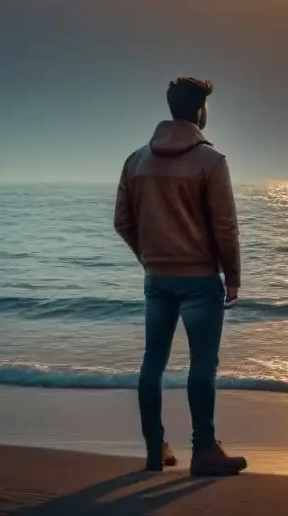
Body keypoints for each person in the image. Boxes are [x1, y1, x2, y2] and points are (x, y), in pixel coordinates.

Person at [114, 77, 248, 476]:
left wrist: (150, 258)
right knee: (202, 364)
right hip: (199, 279)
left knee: (152, 361)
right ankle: (204, 450)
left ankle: (155, 449)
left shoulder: (136, 160)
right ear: (200, 113)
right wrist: (234, 275)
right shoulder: (211, 162)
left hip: (157, 278)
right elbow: (225, 227)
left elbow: (122, 221)